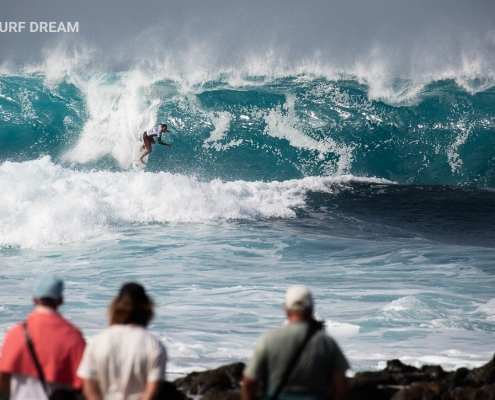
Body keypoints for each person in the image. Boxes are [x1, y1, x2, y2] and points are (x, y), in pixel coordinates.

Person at [242, 285, 349, 400]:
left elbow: (249, 384)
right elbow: (341, 385)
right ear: (312, 309)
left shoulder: (269, 339)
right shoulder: (326, 342)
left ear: (285, 308)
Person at [0, 274, 86, 400]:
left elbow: (3, 377)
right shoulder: (73, 337)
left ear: (34, 299)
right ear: (61, 300)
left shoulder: (15, 334)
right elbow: (84, 383)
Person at [77, 282, 166, 400]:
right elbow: (151, 394)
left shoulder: (97, 342)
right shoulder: (153, 345)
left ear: (116, 306)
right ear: (147, 308)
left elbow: (89, 387)